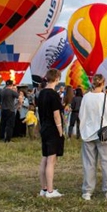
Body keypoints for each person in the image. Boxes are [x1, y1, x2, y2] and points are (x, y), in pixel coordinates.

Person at [78, 73, 107, 201]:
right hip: (103, 133)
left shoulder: (86, 97)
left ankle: (87, 191)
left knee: (89, 163)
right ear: (103, 84)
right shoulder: (106, 97)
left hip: (88, 133)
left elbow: (81, 115)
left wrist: (84, 128)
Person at [37, 69, 64, 198]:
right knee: (51, 160)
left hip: (44, 127)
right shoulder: (53, 95)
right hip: (53, 129)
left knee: (45, 158)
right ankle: (50, 191)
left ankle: (43, 188)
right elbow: (56, 115)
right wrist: (60, 131)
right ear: (57, 78)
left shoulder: (41, 93)